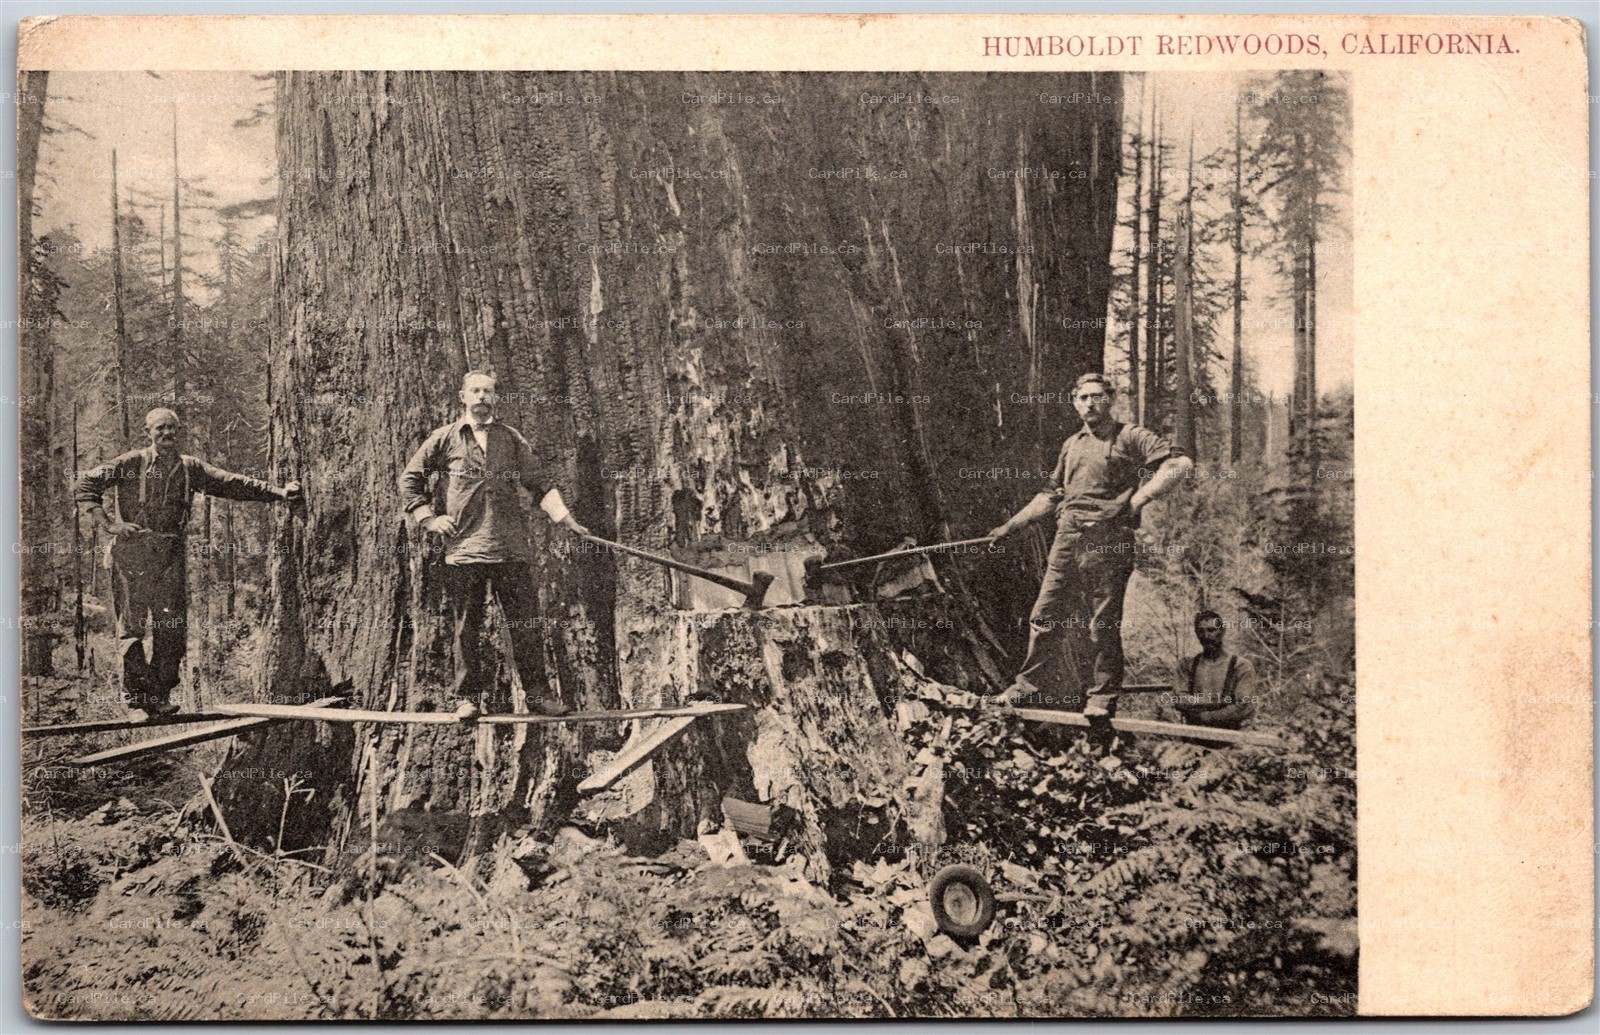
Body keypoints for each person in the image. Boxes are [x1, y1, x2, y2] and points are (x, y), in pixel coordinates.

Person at [74, 408, 302, 720]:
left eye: (171, 428)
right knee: (132, 629)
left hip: (170, 556)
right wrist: (109, 524)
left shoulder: (189, 468)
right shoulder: (131, 464)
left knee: (172, 630)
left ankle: (160, 696)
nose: (166, 434)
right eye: (160, 429)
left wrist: (278, 493)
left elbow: (231, 483)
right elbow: (86, 484)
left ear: (179, 432)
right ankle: (138, 703)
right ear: (148, 433)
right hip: (133, 555)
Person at [988, 373, 1193, 717]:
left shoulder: (1130, 436)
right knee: (1045, 615)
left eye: (1097, 396)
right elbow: (1050, 496)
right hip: (1067, 538)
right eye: (1083, 397)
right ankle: (1026, 688)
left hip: (1109, 542)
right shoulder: (1072, 445)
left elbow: (1180, 464)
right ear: (1074, 402)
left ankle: (1101, 699)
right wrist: (1010, 526)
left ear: (1110, 399)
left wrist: (1139, 500)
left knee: (1103, 622)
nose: (1090, 403)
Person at [400, 370, 589, 716]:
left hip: (510, 547)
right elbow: (411, 479)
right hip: (464, 549)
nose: (482, 397)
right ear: (463, 396)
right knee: (466, 628)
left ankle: (537, 696)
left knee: (525, 625)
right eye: (476, 391)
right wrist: (429, 518)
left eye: (488, 391)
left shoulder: (511, 439)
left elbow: (539, 482)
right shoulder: (445, 439)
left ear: (496, 398)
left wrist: (566, 519)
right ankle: (466, 698)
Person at [1171, 610, 1260, 729]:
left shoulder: (1241, 666)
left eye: (1212, 630)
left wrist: (1207, 716)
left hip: (1231, 738)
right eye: (1201, 631)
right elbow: (1179, 699)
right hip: (1193, 734)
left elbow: (1243, 706)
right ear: (1196, 634)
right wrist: (1219, 702)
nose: (1206, 636)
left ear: (1222, 631)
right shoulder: (1187, 665)